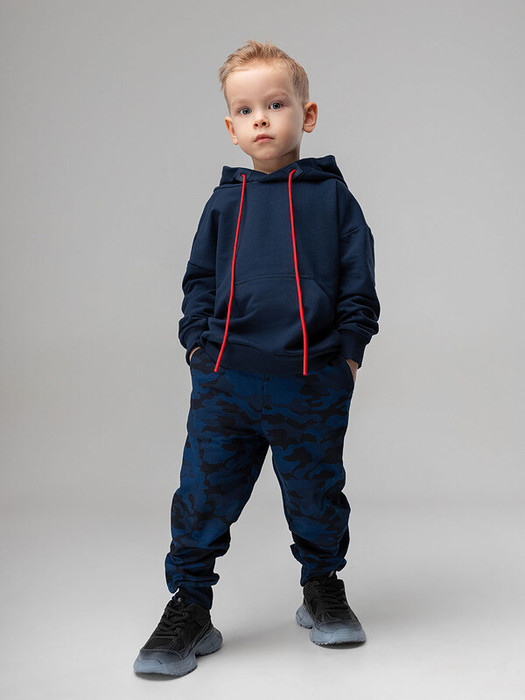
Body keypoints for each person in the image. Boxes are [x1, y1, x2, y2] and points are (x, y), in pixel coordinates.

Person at [134, 39, 380, 677]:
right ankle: (190, 607)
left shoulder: (333, 199)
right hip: (227, 383)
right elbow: (198, 282)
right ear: (231, 127)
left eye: (276, 104)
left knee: (317, 495)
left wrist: (347, 359)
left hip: (311, 383)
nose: (261, 119)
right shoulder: (225, 202)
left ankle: (322, 587)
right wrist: (198, 346)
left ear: (308, 114)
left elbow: (358, 286)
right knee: (202, 496)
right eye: (245, 110)